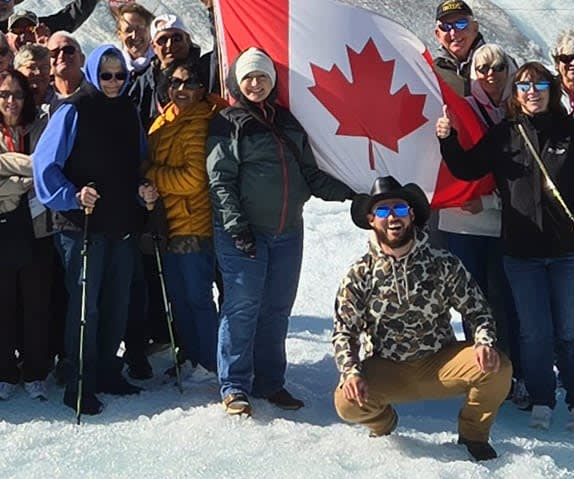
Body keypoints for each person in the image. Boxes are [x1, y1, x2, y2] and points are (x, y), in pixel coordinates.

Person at [436, 57, 574, 430]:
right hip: (522, 253)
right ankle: (543, 399)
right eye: (525, 87)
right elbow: (468, 168)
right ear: (516, 94)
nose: (532, 93)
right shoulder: (506, 134)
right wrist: (447, 139)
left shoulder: (573, 133)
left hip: (570, 254)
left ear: (552, 92)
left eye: (540, 87)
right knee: (533, 332)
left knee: (570, 331)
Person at [206, 48, 352, 416]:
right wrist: (236, 226)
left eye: (262, 77)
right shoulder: (228, 121)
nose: (255, 83)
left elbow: (311, 175)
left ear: (273, 81)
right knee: (242, 307)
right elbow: (220, 179)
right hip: (244, 231)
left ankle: (270, 381)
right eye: (249, 77)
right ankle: (234, 385)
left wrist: (354, 192)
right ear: (238, 82)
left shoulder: (287, 122)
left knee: (277, 309)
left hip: (288, 231)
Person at [331, 178, 513, 461]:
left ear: (411, 215)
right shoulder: (359, 275)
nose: (392, 217)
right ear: (371, 220)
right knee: (346, 401)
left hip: (439, 363)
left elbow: (478, 311)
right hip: (389, 367)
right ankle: (383, 424)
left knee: (497, 368)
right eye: (382, 211)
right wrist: (351, 372)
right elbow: (344, 333)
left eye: (400, 209)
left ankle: (473, 436)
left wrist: (484, 342)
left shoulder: (442, 262)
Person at [34, 44, 157, 415]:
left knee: (117, 301)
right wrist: (72, 194)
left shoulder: (129, 112)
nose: (114, 82)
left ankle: (107, 369)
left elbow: (135, 162)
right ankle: (79, 379)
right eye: (106, 75)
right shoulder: (73, 109)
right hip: (81, 224)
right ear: (92, 73)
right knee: (86, 305)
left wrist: (142, 190)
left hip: (121, 221)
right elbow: (44, 165)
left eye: (121, 75)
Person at [0, 65, 56, 401]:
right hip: (0, 228)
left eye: (17, 94)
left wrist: (2, 164)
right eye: (4, 94)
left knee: (37, 304)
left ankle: (35, 372)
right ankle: (4, 372)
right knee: (0, 304)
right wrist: (20, 184)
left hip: (37, 230)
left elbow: (44, 169)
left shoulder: (42, 126)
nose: (11, 101)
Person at [434, 43, 517, 395]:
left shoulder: (521, 110)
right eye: (482, 69)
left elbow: (524, 178)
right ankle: (479, 371)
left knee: (506, 301)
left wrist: (489, 201)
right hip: (463, 222)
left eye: (499, 67)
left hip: (509, 223)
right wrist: (444, 135)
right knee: (472, 302)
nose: (491, 75)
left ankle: (511, 372)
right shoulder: (457, 111)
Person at [146, 56, 218, 381]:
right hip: (167, 226)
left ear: (202, 89)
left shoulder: (201, 122)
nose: (182, 88)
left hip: (193, 225)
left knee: (197, 298)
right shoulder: (163, 121)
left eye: (190, 83)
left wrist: (151, 175)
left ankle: (214, 362)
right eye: (175, 82)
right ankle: (191, 356)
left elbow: (193, 180)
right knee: (178, 298)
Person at [430, 0, 484, 93]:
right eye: (445, 27)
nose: (453, 33)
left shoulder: (499, 63)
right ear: (438, 35)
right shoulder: (434, 72)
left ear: (475, 28)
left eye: (461, 24)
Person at [45, 34, 85, 111]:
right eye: (54, 53)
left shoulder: (99, 91)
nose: (61, 55)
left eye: (68, 50)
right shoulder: (39, 97)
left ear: (82, 59)